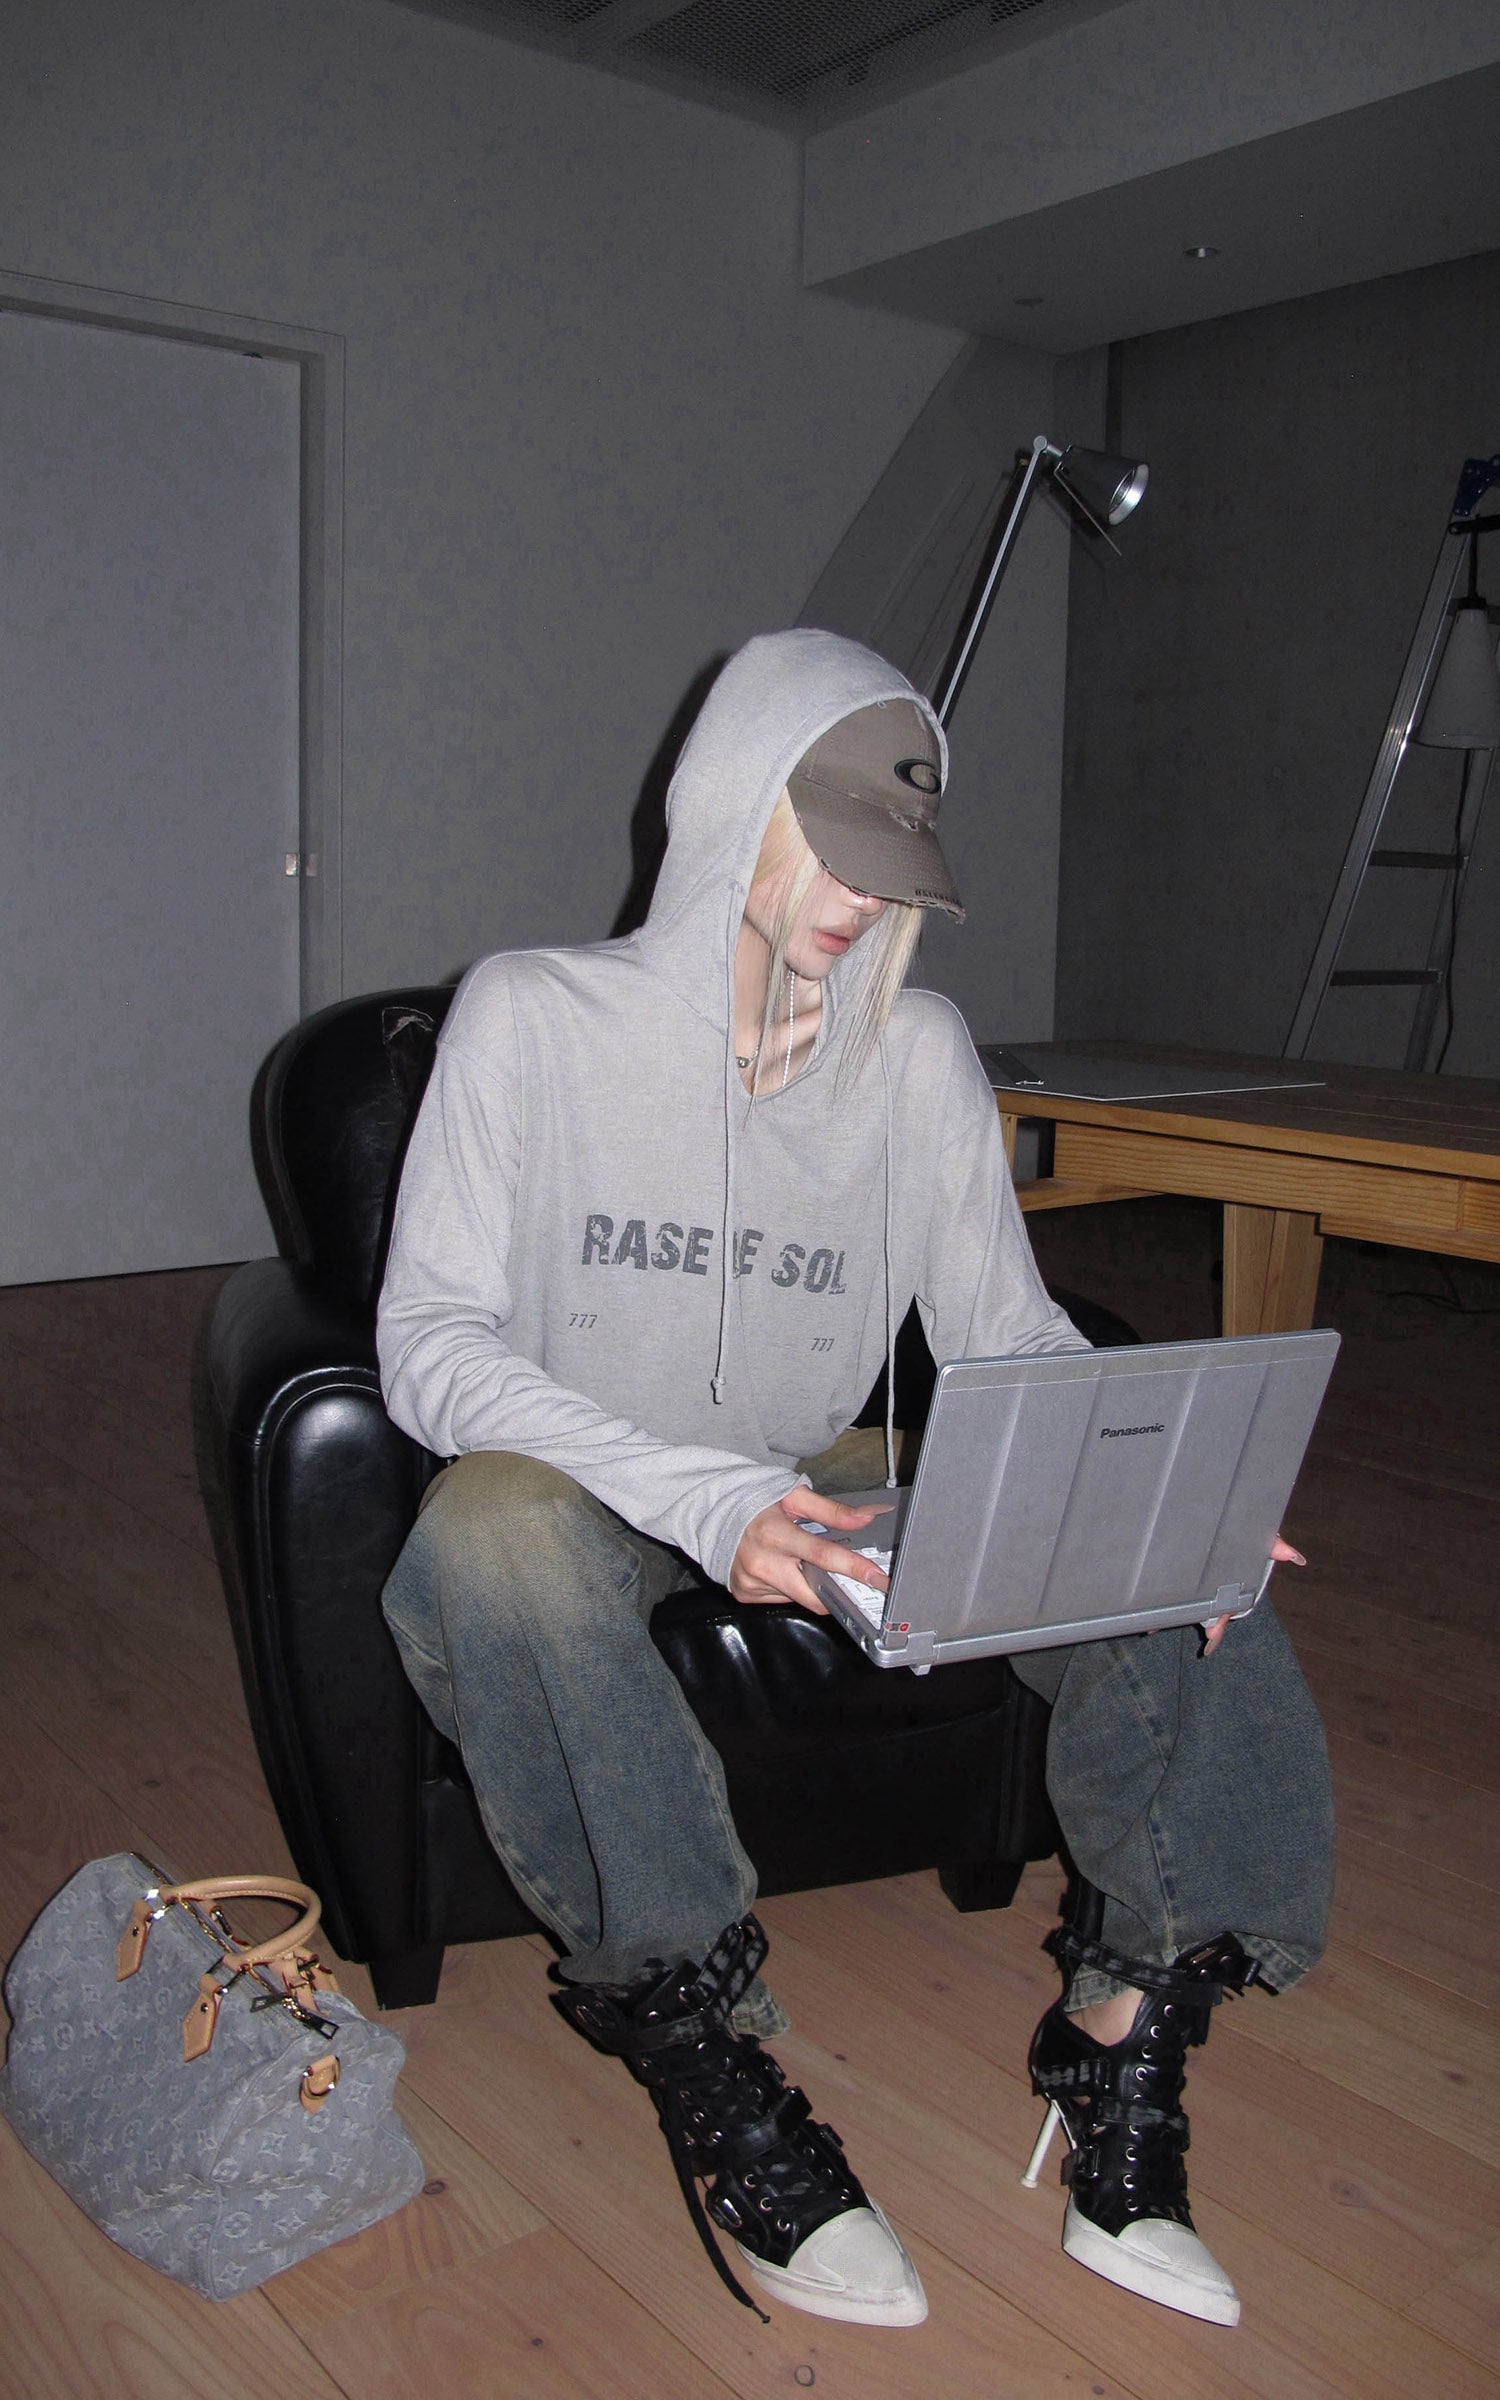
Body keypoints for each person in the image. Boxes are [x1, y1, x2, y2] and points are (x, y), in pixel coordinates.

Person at [377, 628, 1334, 2331]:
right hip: (589, 1472)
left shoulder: (917, 1056)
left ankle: (1124, 2031)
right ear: (728, 800)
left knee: (1181, 1568)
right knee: (490, 1536)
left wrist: (1167, 1485)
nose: (862, 896)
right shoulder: (532, 1018)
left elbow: (1008, 1336)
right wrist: (699, 1501)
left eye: (893, 862)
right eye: (831, 844)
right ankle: (706, 2051)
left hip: (815, 1464)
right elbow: (429, 1349)